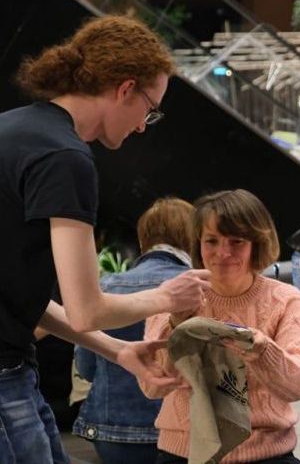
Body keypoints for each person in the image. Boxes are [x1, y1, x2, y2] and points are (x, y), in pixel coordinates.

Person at [0, 15, 210, 462]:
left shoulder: (14, 129)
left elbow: (17, 299)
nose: (143, 126)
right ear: (124, 89)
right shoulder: (64, 158)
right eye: (150, 109)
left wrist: (118, 350)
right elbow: (86, 310)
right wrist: (167, 296)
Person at [141, 189, 300, 464]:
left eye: (237, 241)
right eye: (211, 241)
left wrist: (263, 351)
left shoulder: (286, 300)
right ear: (197, 243)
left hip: (267, 453)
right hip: (185, 453)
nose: (223, 252)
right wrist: (176, 322)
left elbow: (298, 387)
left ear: (257, 244)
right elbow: (152, 388)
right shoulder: (174, 294)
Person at [73, 197, 196, 464]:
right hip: (186, 431)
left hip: (113, 434)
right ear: (193, 237)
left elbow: (86, 368)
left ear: (143, 239)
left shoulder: (105, 288)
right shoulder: (199, 288)